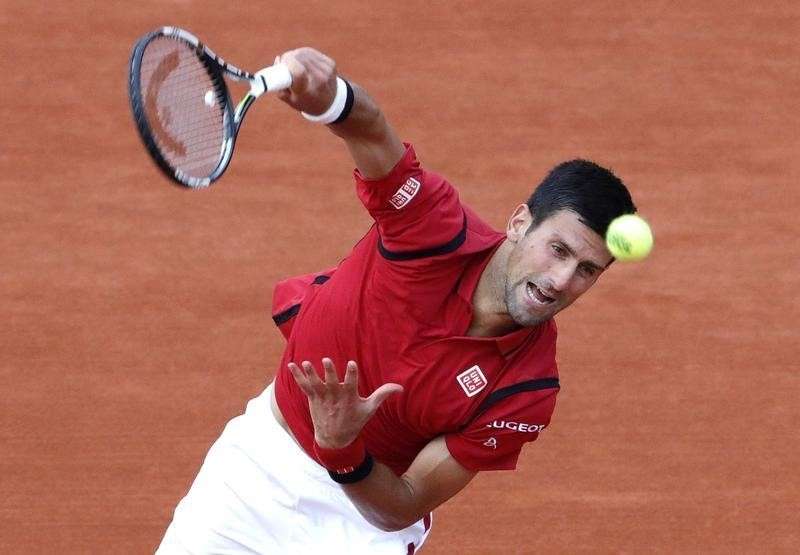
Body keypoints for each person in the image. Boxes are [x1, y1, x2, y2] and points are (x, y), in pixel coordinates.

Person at [156, 47, 637, 554]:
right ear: (520, 223)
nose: (562, 280)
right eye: (557, 250)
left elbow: (402, 503)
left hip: (358, 524)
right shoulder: (433, 228)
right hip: (255, 472)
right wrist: (330, 97)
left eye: (587, 270)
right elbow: (371, 132)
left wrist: (342, 447)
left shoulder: (528, 388)